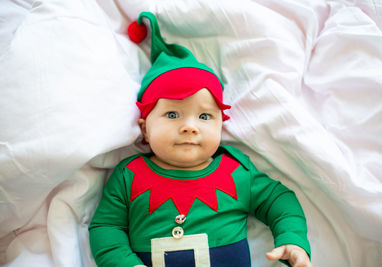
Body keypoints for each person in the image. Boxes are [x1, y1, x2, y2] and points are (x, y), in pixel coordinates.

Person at [89, 12, 312, 267]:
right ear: (145, 129)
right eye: (172, 114)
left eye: (205, 116)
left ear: (221, 125)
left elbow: (279, 200)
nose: (189, 127)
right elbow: (106, 227)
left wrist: (293, 240)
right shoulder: (129, 176)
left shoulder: (236, 172)